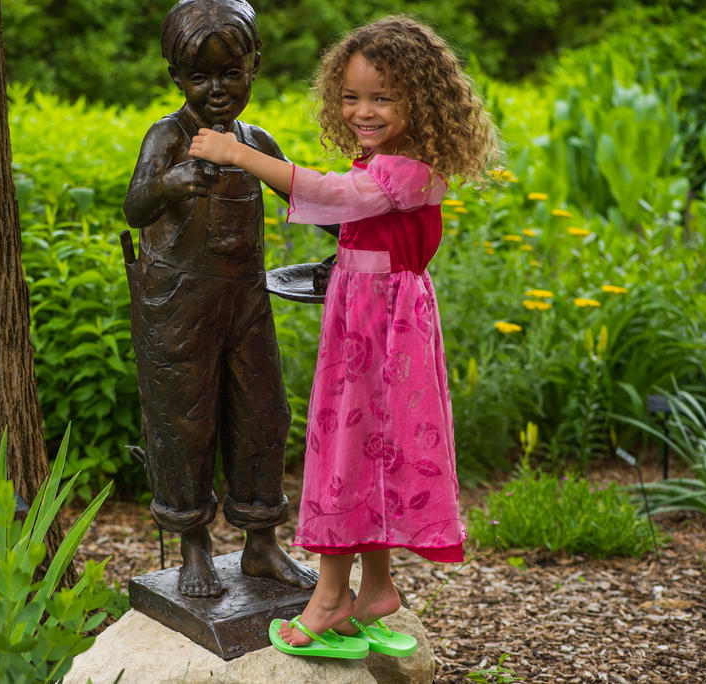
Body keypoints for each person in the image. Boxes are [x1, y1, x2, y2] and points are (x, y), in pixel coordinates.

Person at [189, 15, 500, 656]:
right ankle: (376, 588)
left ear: (422, 100)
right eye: (352, 96)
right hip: (373, 315)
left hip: (380, 327)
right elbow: (352, 212)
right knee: (370, 449)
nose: (362, 110)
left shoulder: (406, 169)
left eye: (382, 97)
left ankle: (330, 598)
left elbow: (335, 196)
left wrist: (240, 154)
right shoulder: (393, 162)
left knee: (347, 451)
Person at [122, 0, 318, 599]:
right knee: (184, 422)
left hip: (245, 303)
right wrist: (171, 181)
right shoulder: (168, 136)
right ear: (176, 78)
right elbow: (135, 206)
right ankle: (194, 546)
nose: (217, 89)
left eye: (231, 73)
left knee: (263, 414)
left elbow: (302, 193)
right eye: (200, 77)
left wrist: (355, 227)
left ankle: (261, 542)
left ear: (253, 67)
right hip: (177, 307)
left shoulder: (255, 141)